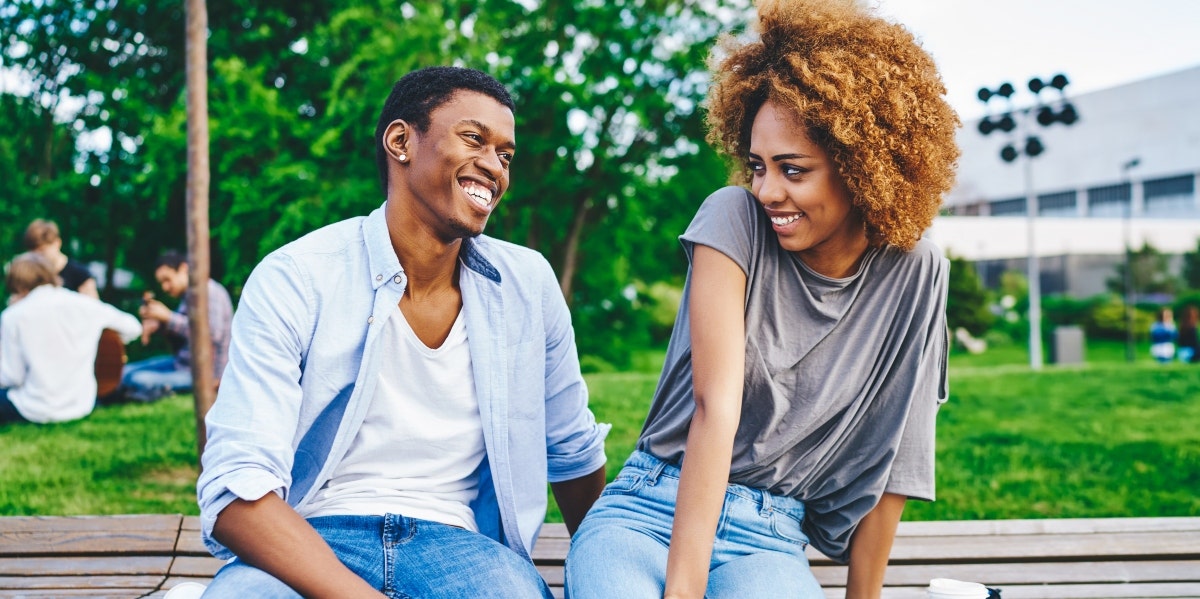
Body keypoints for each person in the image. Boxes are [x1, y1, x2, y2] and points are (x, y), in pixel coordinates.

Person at [565, 1, 959, 597]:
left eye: (793, 170)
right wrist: (684, 591)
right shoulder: (733, 218)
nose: (766, 190)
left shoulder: (916, 270)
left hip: (770, 538)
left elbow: (902, 450)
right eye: (757, 165)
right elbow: (714, 406)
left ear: (860, 168)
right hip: (650, 511)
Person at [195, 66, 608, 599]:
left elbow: (572, 451)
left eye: (505, 155)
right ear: (400, 141)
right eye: (473, 139)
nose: (494, 167)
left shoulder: (526, 285)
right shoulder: (297, 277)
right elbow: (236, 490)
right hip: (311, 535)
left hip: (462, 548)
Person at [0, 253, 141, 425]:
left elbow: (12, 376)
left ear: (18, 286)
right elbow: (134, 327)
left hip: (33, 408)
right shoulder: (84, 304)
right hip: (81, 404)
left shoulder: (13, 316)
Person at [119, 251, 233, 402]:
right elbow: (183, 338)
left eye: (167, 280)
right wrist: (160, 326)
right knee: (123, 372)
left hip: (206, 374)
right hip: (182, 364)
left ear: (184, 269)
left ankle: (136, 392)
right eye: (161, 283)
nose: (165, 287)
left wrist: (168, 317)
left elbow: (212, 334)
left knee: (137, 379)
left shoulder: (210, 292)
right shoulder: (187, 296)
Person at [22, 218, 99, 299]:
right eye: (33, 253)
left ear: (57, 243)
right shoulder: (31, 277)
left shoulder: (80, 275)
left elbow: (93, 307)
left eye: (42, 251)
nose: (38, 257)